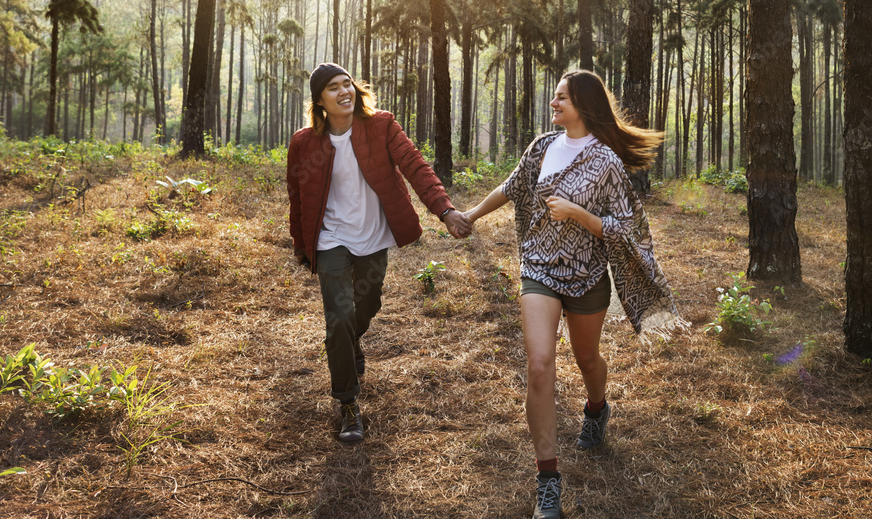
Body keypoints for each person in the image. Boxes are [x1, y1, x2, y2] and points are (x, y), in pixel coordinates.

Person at [465, 69, 684, 519]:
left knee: (587, 360)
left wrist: (580, 214)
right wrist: (470, 214)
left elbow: (628, 227)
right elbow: (512, 187)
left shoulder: (606, 162)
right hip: (539, 269)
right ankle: (548, 481)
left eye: (562, 98)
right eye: (554, 97)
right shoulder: (543, 147)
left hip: (587, 276)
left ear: (583, 104)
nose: (554, 103)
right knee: (540, 366)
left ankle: (597, 409)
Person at [287, 62, 471, 444]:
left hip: (373, 236)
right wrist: (302, 246)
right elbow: (297, 196)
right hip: (331, 239)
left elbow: (416, 167)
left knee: (365, 305)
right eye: (334, 88)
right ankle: (348, 404)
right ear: (320, 101)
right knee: (339, 317)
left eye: (347, 84)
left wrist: (445, 210)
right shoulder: (305, 142)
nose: (344, 92)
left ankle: (353, 344)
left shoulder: (382, 125)